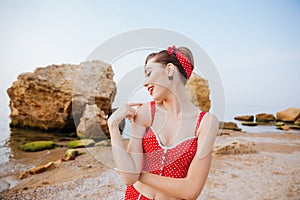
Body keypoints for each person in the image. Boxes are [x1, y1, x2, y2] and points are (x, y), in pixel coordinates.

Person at [108, 45, 218, 200]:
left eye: (149, 73)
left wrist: (138, 174)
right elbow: (128, 179)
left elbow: (191, 190)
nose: (145, 83)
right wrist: (112, 124)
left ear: (170, 70)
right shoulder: (145, 113)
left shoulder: (205, 123)